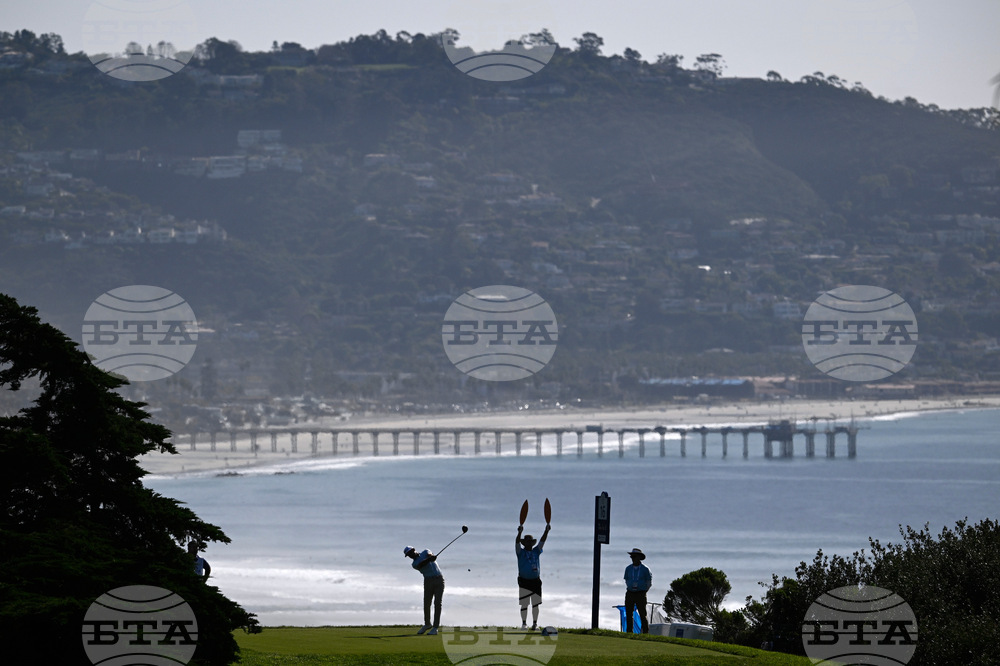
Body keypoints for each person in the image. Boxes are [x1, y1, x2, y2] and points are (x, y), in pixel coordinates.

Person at [515, 522, 550, 630]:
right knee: (524, 604)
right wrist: (519, 533)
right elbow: (516, 542)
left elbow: (542, 541)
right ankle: (524, 623)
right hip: (524, 581)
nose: (529, 543)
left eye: (530, 542)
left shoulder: (536, 551)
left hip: (535, 581)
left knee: (536, 604)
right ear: (524, 543)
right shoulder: (520, 552)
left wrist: (546, 531)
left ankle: (535, 624)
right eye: (527, 542)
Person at [404, 545, 444, 635]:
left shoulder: (425, 552)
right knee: (427, 603)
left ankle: (435, 627)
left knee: (437, 603)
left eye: (410, 553)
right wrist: (430, 559)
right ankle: (427, 624)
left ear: (413, 550)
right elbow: (421, 564)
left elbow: (430, 555)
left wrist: (432, 557)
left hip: (439, 579)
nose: (410, 555)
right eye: (408, 555)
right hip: (428, 581)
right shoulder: (414, 564)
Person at [623, 548, 652, 634]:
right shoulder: (628, 568)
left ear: (639, 557)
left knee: (642, 614)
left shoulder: (645, 569)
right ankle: (629, 632)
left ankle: (645, 633)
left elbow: (649, 582)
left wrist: (643, 591)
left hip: (640, 593)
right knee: (629, 613)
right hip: (630, 592)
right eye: (631, 556)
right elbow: (626, 580)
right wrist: (631, 587)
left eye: (634, 556)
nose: (632, 558)